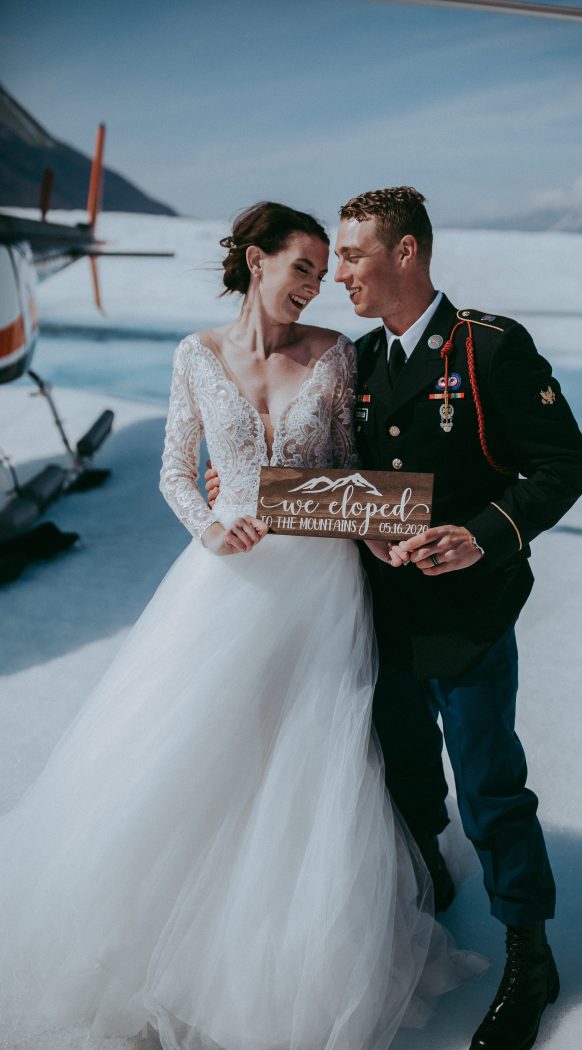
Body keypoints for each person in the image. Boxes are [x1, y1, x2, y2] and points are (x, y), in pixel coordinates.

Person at [0, 201, 486, 1050]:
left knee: (310, 752)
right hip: (225, 580)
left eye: (321, 268)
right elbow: (173, 470)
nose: (316, 283)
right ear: (254, 262)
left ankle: (290, 953)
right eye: (300, 266)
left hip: (321, 585)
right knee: (199, 744)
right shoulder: (196, 354)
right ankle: (155, 947)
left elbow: (341, 471)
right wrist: (209, 525)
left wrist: (384, 529)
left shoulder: (334, 355)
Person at [206, 186, 582, 1050]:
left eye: (351, 256)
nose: (337, 273)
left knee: (490, 787)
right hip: (378, 617)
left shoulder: (488, 348)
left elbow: (561, 462)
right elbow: (344, 487)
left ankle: (530, 951)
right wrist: (241, 492)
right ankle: (427, 903)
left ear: (406, 254)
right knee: (406, 776)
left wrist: (486, 536)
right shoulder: (361, 363)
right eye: (333, 258)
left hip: (469, 615)